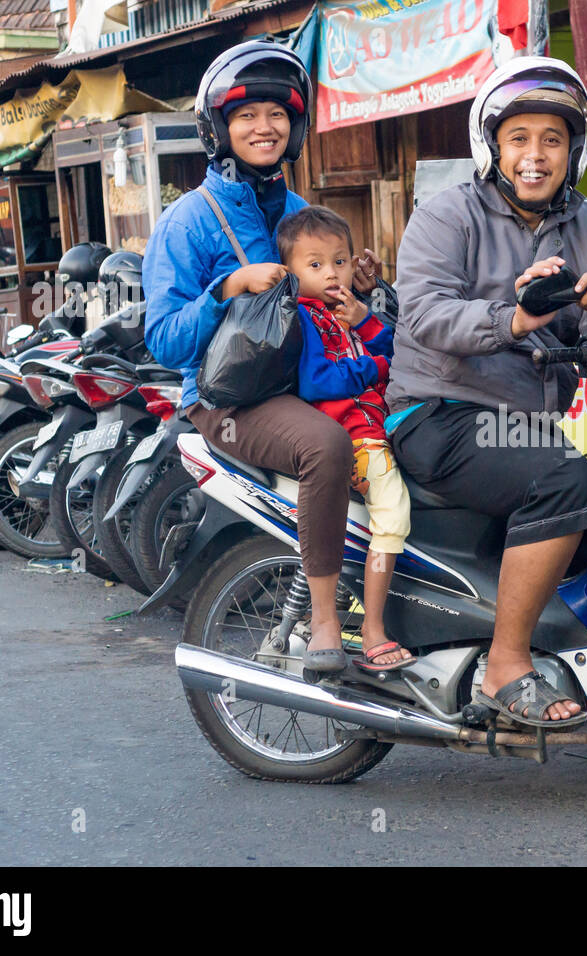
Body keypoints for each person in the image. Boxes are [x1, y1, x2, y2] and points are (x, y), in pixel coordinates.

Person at [387, 57, 587, 729]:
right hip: (440, 412)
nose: (535, 155)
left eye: (551, 139)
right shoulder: (446, 214)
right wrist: (511, 318)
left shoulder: (586, 221)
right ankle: (505, 665)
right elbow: (423, 312)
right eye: (519, 139)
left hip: (540, 416)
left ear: (573, 151)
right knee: (570, 477)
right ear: (493, 147)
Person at [143, 40, 379, 674]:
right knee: (326, 448)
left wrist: (359, 289)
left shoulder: (305, 216)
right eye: (246, 115)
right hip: (228, 402)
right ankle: (326, 619)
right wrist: (227, 289)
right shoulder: (187, 221)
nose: (264, 127)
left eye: (277, 114)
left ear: (295, 126)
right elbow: (162, 340)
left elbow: (331, 314)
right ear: (219, 127)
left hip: (310, 382)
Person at [277, 205, 413, 672]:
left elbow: (397, 349)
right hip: (354, 437)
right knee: (392, 513)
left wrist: (364, 316)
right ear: (292, 274)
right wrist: (375, 368)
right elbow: (317, 381)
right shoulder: (305, 317)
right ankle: (374, 630)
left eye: (340, 261)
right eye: (315, 265)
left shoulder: (346, 310)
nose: (331, 273)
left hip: (382, 425)